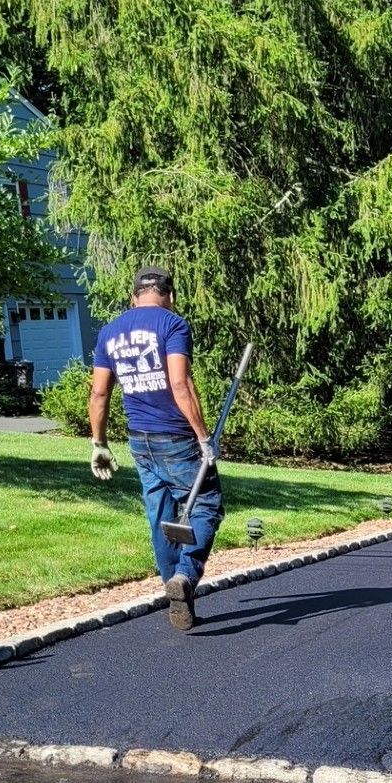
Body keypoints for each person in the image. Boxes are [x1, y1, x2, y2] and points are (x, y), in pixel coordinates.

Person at [87, 266, 221, 632]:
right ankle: (185, 575)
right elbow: (180, 383)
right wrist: (204, 437)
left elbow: (99, 392)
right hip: (176, 438)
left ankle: (176, 593)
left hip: (139, 439)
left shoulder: (110, 331)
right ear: (171, 296)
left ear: (133, 297)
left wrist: (98, 443)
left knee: (161, 516)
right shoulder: (173, 325)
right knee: (207, 505)